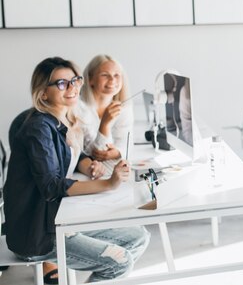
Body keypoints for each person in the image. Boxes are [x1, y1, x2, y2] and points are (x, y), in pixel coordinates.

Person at [4, 57, 149, 283]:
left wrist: (87, 164)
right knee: (120, 262)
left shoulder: (62, 119)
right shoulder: (38, 128)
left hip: (59, 219)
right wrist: (108, 183)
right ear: (43, 93)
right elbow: (51, 186)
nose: (72, 88)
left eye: (75, 80)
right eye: (62, 84)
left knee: (139, 236)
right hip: (37, 234)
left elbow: (73, 154)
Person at [79, 55, 133, 176]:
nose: (112, 80)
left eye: (117, 75)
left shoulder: (124, 107)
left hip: (110, 170)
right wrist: (105, 124)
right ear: (90, 79)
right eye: (105, 75)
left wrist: (117, 152)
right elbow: (96, 153)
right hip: (87, 172)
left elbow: (126, 143)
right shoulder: (79, 108)